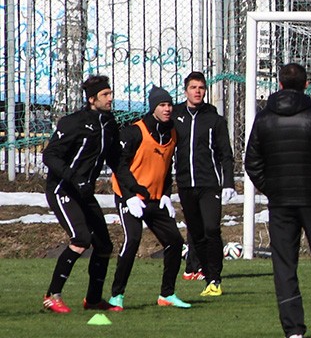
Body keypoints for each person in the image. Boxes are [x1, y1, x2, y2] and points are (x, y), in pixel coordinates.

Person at [243, 63, 311, 338]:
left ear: (279, 85)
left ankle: (293, 329)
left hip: (282, 204)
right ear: (306, 84)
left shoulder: (264, 119)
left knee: (284, 263)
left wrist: (272, 190)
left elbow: (252, 163)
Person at [41, 74, 122, 313]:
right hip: (62, 189)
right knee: (81, 239)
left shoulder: (109, 123)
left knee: (104, 245)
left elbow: (116, 161)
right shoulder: (74, 122)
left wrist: (132, 190)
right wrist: (75, 179)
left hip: (84, 192)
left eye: (110, 94)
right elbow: (49, 156)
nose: (110, 99)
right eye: (105, 95)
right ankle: (52, 295)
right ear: (91, 99)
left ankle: (94, 300)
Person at [107, 86, 191, 309]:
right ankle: (117, 296)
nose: (167, 109)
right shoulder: (134, 132)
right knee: (132, 240)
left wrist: (166, 194)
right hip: (130, 197)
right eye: (162, 105)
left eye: (169, 105)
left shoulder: (173, 132)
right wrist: (129, 196)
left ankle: (167, 294)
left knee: (175, 242)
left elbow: (167, 165)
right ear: (153, 107)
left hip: (154, 197)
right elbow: (119, 166)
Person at [173, 71, 236, 297]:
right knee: (196, 233)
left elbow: (225, 154)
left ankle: (215, 278)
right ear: (186, 90)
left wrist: (228, 182)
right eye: (193, 87)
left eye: (201, 87)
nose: (197, 91)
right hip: (185, 184)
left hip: (210, 185)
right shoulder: (176, 115)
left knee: (211, 229)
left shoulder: (214, 119)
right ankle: (205, 274)